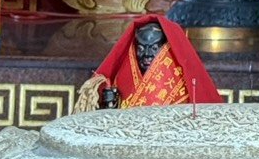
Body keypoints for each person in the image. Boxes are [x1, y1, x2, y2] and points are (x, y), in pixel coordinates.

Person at [77, 14, 222, 109]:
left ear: (166, 49)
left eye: (153, 48)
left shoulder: (183, 83)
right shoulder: (121, 79)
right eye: (141, 48)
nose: (146, 54)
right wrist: (109, 106)